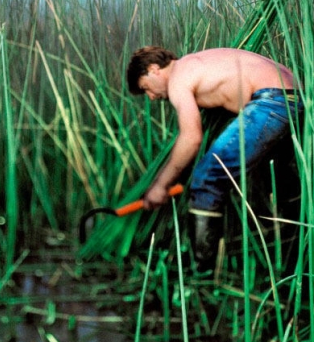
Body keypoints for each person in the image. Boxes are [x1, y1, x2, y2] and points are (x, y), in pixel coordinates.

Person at [126, 46, 303, 270]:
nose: (151, 98)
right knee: (279, 183)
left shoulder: (178, 78)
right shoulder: (197, 63)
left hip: (271, 100)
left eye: (146, 88)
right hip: (293, 95)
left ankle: (202, 273)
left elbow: (191, 138)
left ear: (154, 69)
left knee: (207, 178)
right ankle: (294, 262)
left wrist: (161, 186)